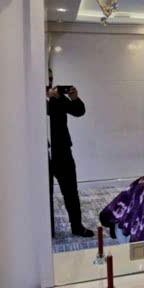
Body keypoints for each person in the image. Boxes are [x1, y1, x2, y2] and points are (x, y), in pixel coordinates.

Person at [47, 68, 94, 237]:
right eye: (47, 78)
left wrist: (73, 98)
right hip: (40, 155)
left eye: (51, 78)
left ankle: (77, 226)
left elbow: (78, 111)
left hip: (62, 151)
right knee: (44, 194)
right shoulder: (31, 97)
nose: (49, 82)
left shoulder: (58, 98)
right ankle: (47, 230)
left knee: (71, 192)